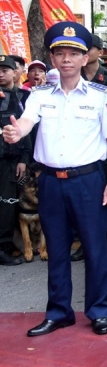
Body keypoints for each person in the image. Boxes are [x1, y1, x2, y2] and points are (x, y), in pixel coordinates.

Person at [6, 22, 107, 335]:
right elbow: (28, 121)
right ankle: (59, 312)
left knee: (95, 249)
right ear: (53, 59)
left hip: (88, 180)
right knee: (56, 248)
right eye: (60, 53)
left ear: (85, 58)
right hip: (51, 181)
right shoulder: (40, 95)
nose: (66, 59)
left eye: (73, 53)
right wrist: (17, 132)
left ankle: (98, 311)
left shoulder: (101, 95)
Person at [0, 55, 30, 266]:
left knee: (8, 204)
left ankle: (4, 247)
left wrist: (23, 158)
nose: (1, 74)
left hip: (11, 159)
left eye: (5, 70)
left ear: (15, 72)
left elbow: (27, 131)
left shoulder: (24, 97)